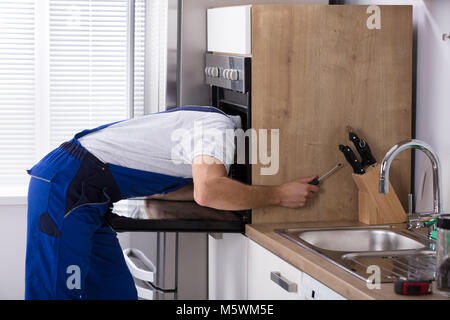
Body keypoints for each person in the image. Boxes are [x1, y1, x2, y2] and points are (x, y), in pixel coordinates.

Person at [25, 105, 319, 300]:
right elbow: (209, 191)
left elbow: (169, 190)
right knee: (56, 294)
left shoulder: (200, 124)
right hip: (65, 189)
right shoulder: (217, 128)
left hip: (87, 197)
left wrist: (228, 189)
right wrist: (279, 194)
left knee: (114, 293)